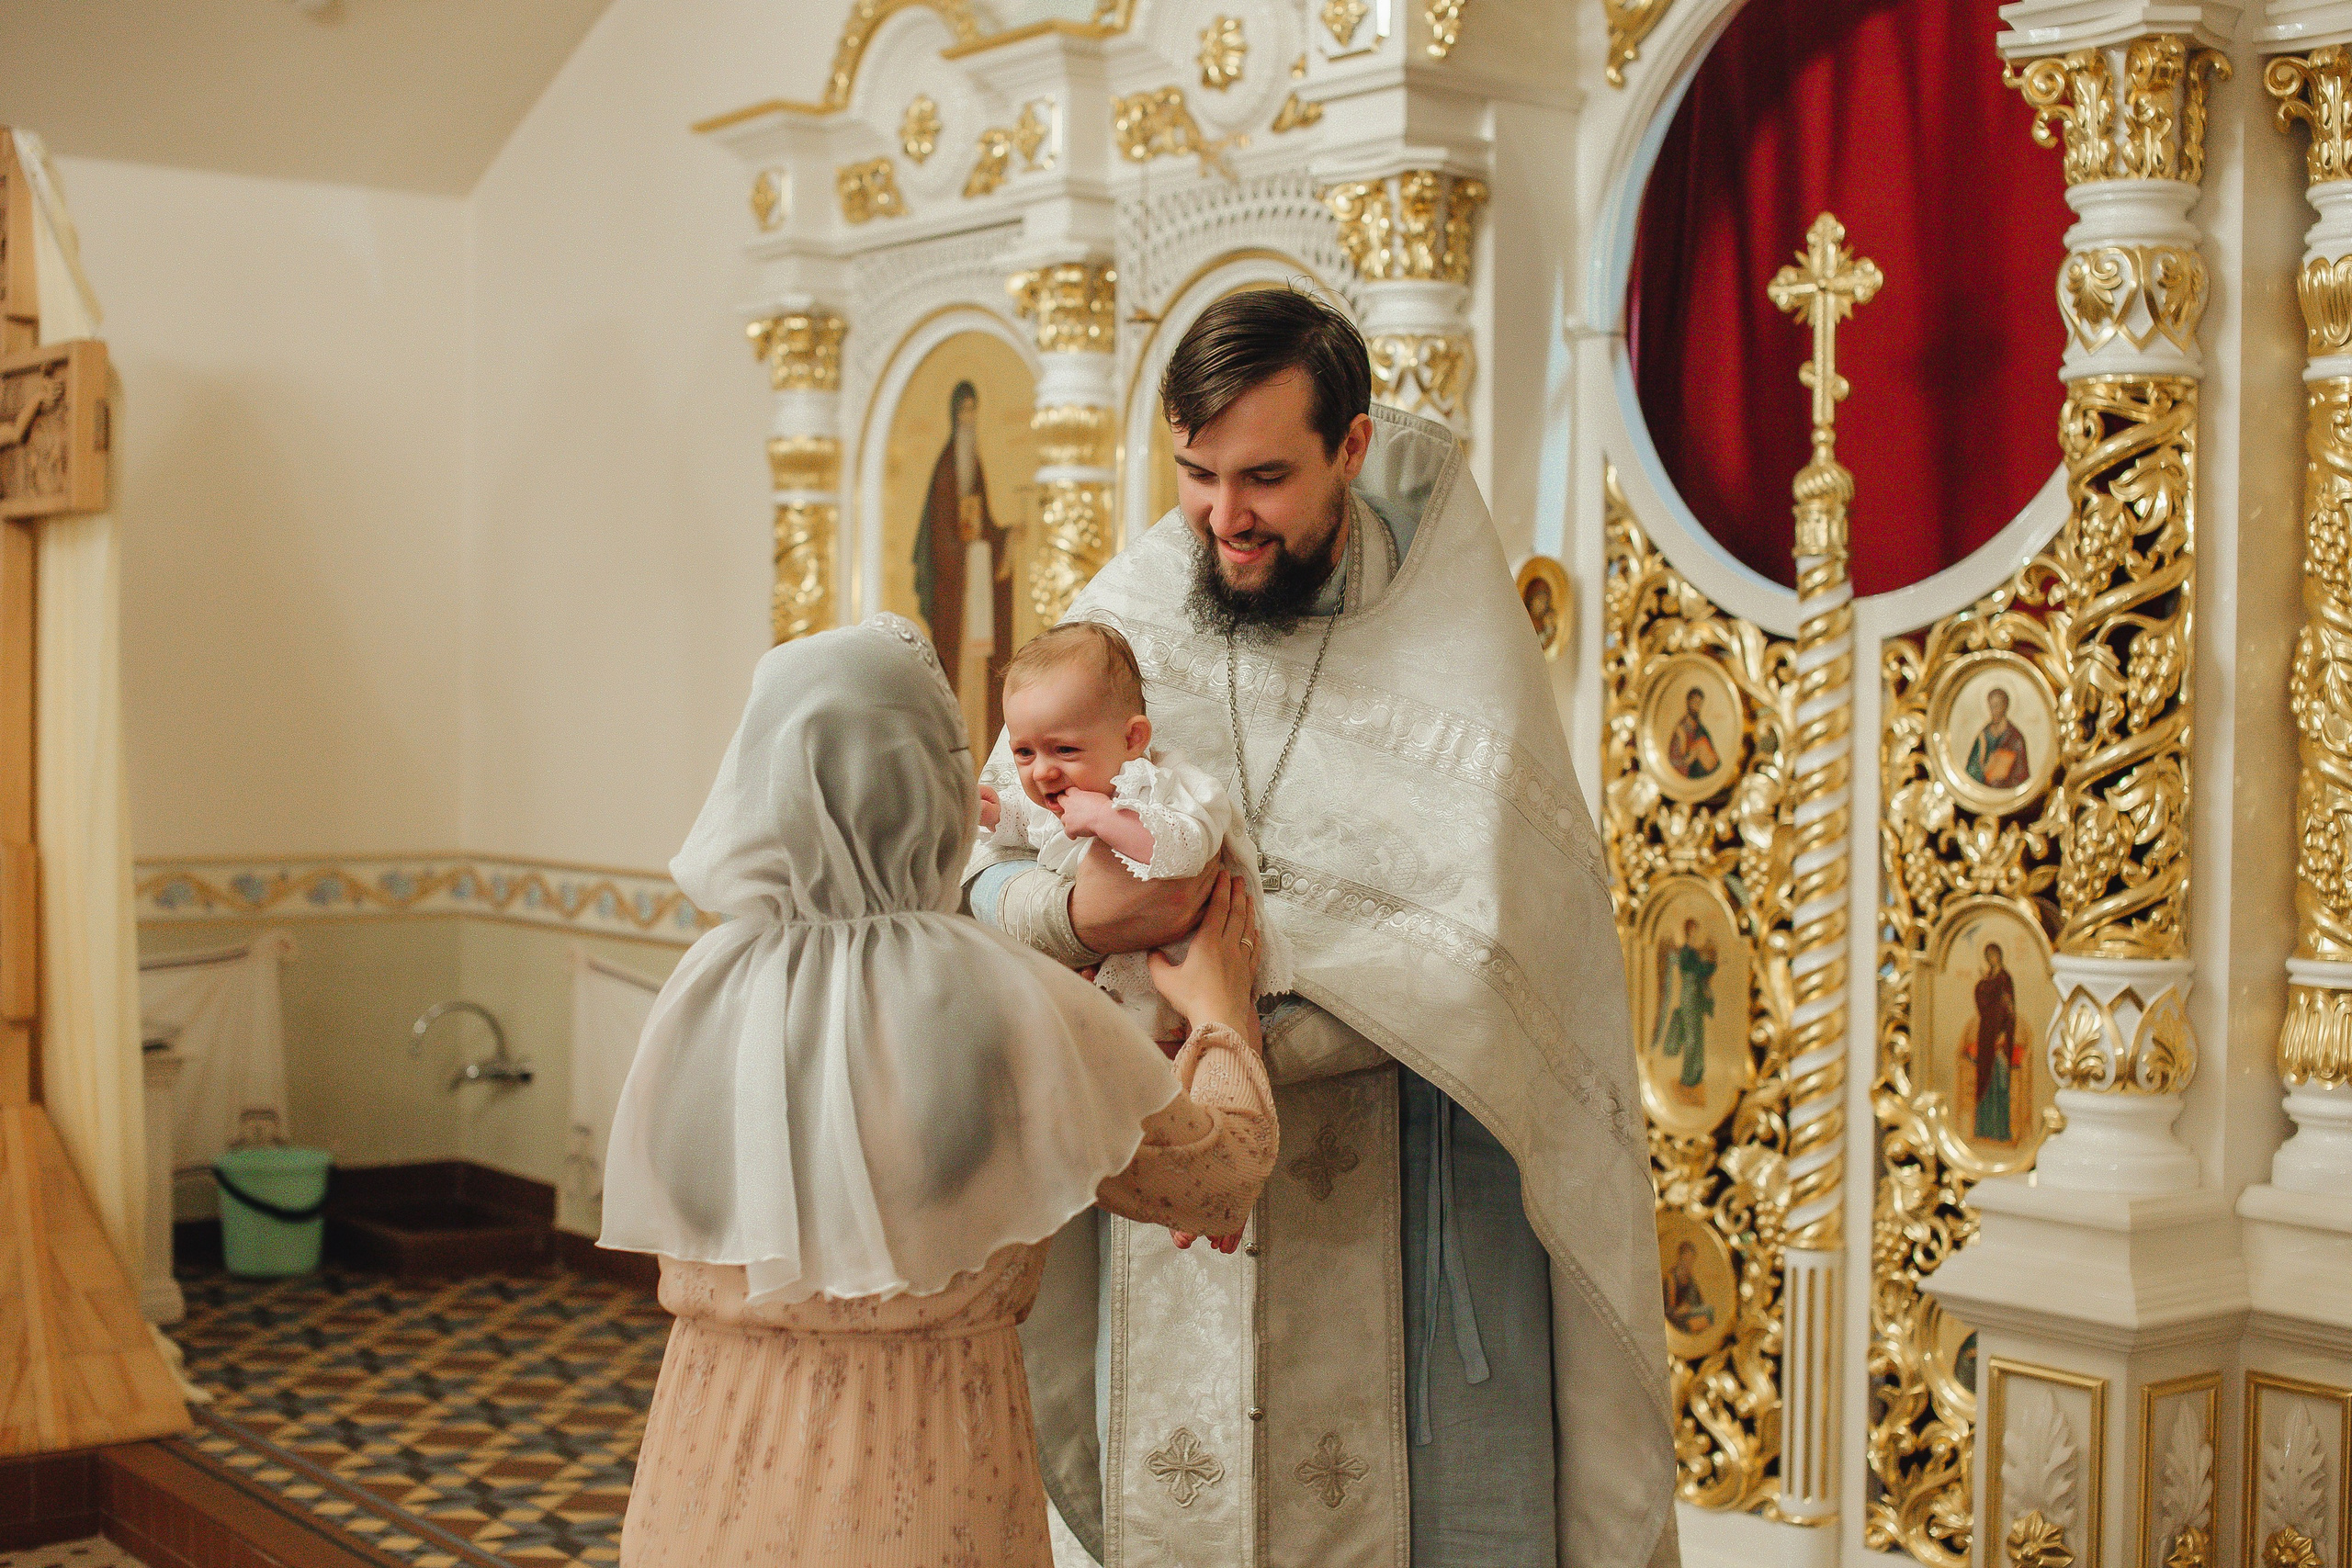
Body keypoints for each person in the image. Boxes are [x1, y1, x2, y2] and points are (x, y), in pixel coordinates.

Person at [968, 289, 1676, 1568]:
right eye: (1195, 474)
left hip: (1397, 1200)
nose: (1225, 518)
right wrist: (1080, 911)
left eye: (1266, 478)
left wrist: (1243, 1007)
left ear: (1350, 448)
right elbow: (977, 869)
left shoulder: (1451, 638)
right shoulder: (1128, 613)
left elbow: (1501, 940)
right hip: (1163, 1182)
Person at [600, 614, 1280, 1567]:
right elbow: (1217, 1178)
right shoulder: (1001, 993)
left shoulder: (702, 987)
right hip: (922, 1471)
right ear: (931, 785)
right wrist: (1218, 1013)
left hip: (706, 1467)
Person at [979, 619, 1294, 1057]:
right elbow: (1030, 827)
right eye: (1024, 752)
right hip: (1116, 999)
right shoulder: (1068, 796)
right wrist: (994, 813)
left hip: (1195, 980)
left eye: (1064, 750)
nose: (1042, 771)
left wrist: (1108, 819)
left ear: (1132, 738)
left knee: (1209, 1086)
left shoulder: (1166, 786)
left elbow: (1185, 852)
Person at [913, 380, 1015, 738]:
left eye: (974, 410)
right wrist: (967, 549)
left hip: (973, 581)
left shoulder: (973, 461)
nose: (969, 418)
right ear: (954, 416)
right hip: (954, 593)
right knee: (957, 668)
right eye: (964, 412)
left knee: (979, 666)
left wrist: (1003, 538)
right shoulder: (946, 467)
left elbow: (981, 522)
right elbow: (939, 538)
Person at [1961, 941, 2021, 1144]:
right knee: (1984, 1077)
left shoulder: (2005, 978)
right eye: (1989, 955)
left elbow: (2009, 1009)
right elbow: (1981, 1001)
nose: (1991, 959)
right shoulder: (1988, 978)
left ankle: (2000, 1130)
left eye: (1994, 955)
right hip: (1986, 1032)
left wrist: (2004, 1033)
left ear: (2000, 956)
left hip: (2000, 1033)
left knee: (2000, 1081)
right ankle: (1984, 1128)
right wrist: (1983, 983)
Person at [1654, 917, 1719, 1105]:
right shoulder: (1686, 953)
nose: (1697, 935)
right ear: (1690, 932)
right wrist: (1712, 966)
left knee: (1697, 1037)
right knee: (1692, 1037)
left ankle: (1695, 1076)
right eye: (1695, 931)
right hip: (1689, 996)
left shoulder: (1693, 952)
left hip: (1695, 995)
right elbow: (1697, 970)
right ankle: (1688, 1079)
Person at [1964, 685, 2030, 791]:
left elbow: (2021, 772)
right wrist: (1984, 770)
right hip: (1984, 791)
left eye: (1997, 706)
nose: (1994, 710)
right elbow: (1971, 769)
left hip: (2007, 792)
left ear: (2005, 706)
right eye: (1991, 706)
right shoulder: (1983, 736)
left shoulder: (2015, 737)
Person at [1663, 1240, 1715, 1336]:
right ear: (1681, 1257)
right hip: (1676, 1317)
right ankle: (1687, 1328)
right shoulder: (1671, 1279)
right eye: (1686, 1259)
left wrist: (1690, 1307)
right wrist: (1679, 1311)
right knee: (1706, 1315)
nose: (1688, 1263)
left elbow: (1699, 1302)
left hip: (1688, 1313)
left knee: (1709, 1311)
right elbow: (1667, 1310)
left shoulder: (1690, 1280)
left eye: (1691, 1260)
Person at [1667, 686, 1720, 779]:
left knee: (1702, 743)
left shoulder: (1700, 728)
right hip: (1684, 770)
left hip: (1703, 772)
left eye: (1699, 704)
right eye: (1694, 702)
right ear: (1688, 702)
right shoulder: (1681, 728)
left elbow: (1712, 755)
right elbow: (1677, 759)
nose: (1696, 707)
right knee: (1701, 745)